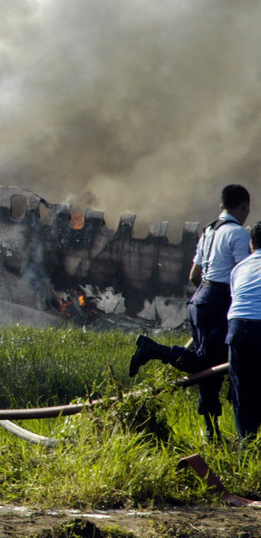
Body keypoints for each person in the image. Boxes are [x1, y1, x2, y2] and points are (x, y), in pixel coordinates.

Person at [129, 184, 251, 441]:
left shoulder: (208, 231)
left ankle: (211, 431)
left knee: (207, 367)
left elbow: (194, 275)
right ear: (244, 207)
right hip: (218, 300)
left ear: (221, 207)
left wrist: (205, 299)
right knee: (209, 365)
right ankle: (154, 350)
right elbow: (243, 274)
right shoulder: (238, 233)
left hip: (200, 299)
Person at [225, 222, 261, 440]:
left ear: (251, 243)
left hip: (238, 330)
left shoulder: (239, 268)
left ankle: (246, 446)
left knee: (242, 391)